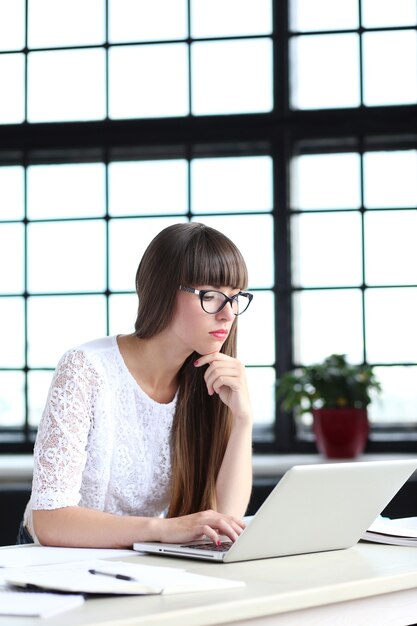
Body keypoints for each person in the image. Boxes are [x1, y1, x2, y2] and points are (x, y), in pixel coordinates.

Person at [18, 222, 254, 548]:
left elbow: (227, 520)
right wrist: (164, 530)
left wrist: (242, 420)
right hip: (55, 559)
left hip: (136, 561)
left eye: (236, 297)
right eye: (211, 296)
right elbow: (49, 521)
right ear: (161, 290)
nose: (228, 314)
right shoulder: (85, 369)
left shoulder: (208, 381)